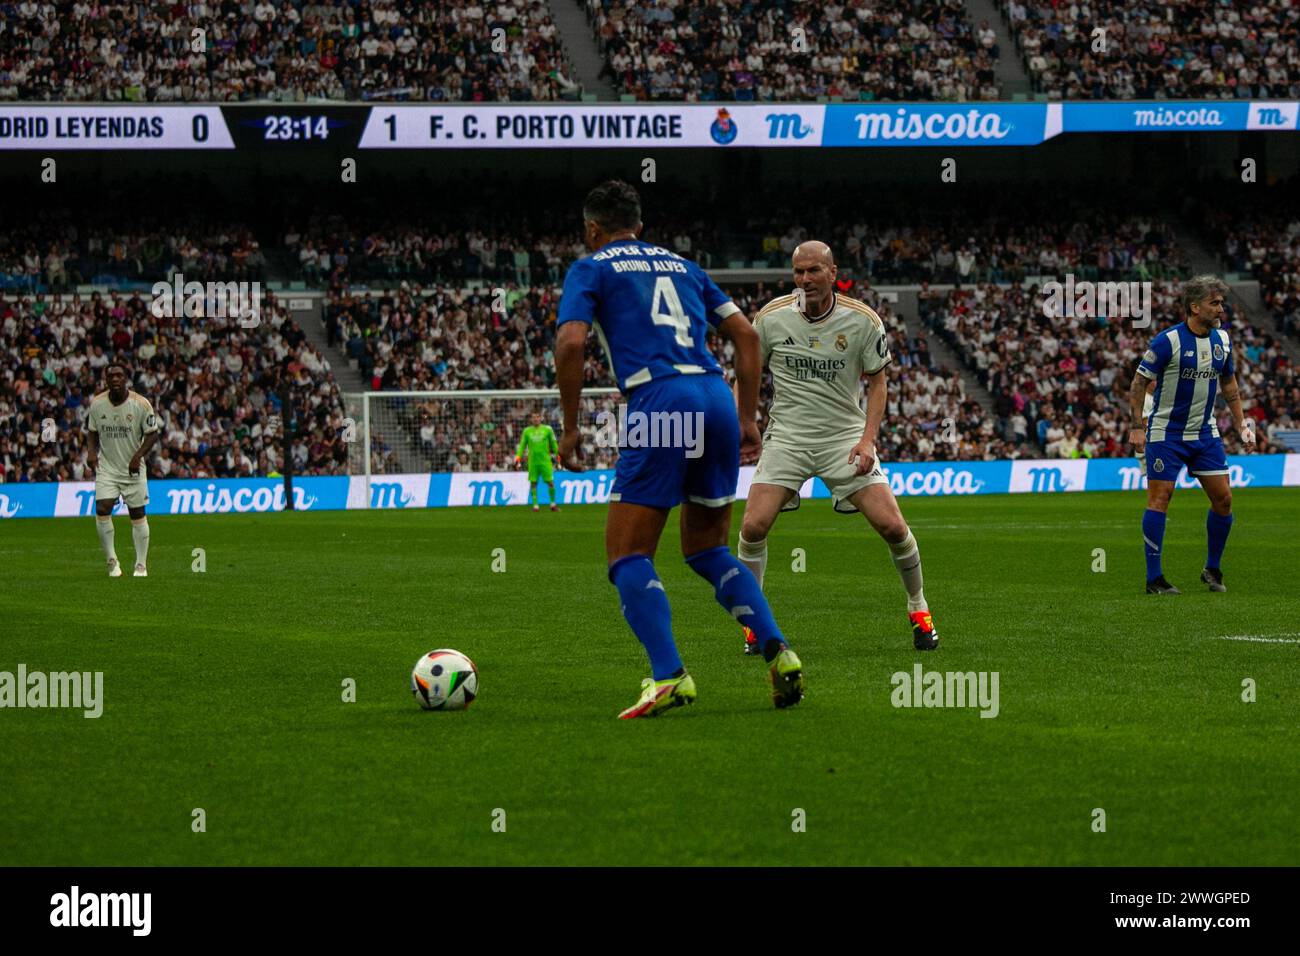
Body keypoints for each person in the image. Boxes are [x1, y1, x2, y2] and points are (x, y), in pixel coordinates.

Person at [554, 180, 801, 718]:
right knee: (707, 550)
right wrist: (746, 416)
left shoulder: (590, 267)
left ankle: (669, 675)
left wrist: (570, 427)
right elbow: (747, 336)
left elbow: (571, 341)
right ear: (639, 226)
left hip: (659, 398)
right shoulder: (684, 266)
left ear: (593, 230)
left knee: (627, 555)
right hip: (714, 394)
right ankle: (778, 649)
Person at [736, 241, 939, 653]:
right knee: (752, 527)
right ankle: (754, 621)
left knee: (893, 527)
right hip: (788, 437)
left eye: (813, 271)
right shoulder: (771, 318)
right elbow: (746, 371)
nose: (805, 280)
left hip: (843, 439)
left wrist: (868, 440)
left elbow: (878, 381)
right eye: (798, 272)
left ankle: (919, 608)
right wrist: (744, 422)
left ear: (833, 272)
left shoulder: (862, 321)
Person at [1129, 275, 1253, 594]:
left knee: (1223, 500)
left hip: (1204, 433)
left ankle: (1212, 569)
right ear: (1194, 307)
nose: (1221, 309)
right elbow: (1138, 383)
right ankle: (1154, 578)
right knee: (1160, 498)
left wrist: (1241, 424)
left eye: (1221, 303)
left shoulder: (1221, 340)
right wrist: (1135, 427)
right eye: (1214, 303)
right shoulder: (1167, 341)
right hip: (1166, 434)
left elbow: (1229, 384)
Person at [87, 363, 160, 577]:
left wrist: (138, 456)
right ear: (106, 380)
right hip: (107, 467)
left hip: (133, 468)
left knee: (137, 513)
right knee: (102, 508)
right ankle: (112, 562)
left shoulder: (141, 404)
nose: (116, 379)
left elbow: (153, 433)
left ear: (126, 378)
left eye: (120, 375)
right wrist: (91, 452)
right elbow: (92, 431)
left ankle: (140, 565)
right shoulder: (97, 404)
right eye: (112, 376)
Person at [514, 409, 560, 511]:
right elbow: (522, 446)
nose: (536, 419)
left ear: (541, 418)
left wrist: (558, 456)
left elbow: (554, 444)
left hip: (545, 461)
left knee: (550, 482)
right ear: (531, 419)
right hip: (533, 462)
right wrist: (518, 458)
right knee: (533, 483)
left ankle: (553, 504)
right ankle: (535, 505)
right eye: (533, 417)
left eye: (537, 417)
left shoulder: (547, 429)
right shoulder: (527, 431)